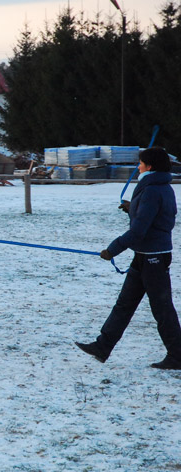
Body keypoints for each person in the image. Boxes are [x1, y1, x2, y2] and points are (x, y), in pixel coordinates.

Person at [76, 147, 181, 370]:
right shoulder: (159, 186)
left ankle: (177, 356)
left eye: (141, 163)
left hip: (153, 258)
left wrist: (112, 250)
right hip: (144, 256)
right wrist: (133, 208)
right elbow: (153, 215)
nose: (138, 166)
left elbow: (138, 231)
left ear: (149, 167)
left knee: (162, 309)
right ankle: (102, 347)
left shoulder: (153, 189)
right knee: (124, 304)